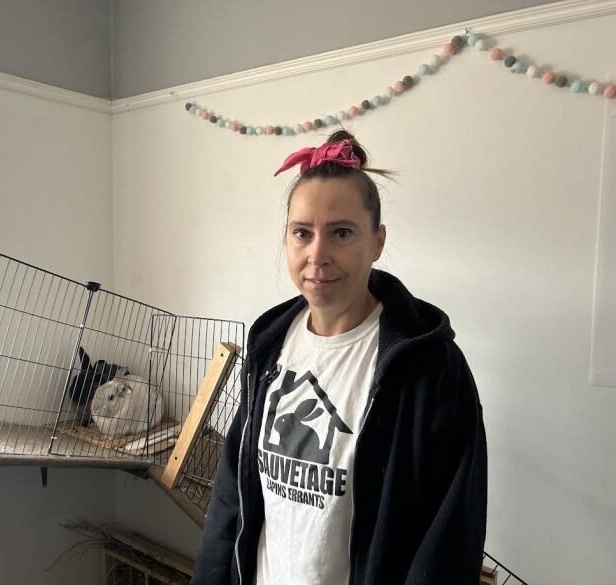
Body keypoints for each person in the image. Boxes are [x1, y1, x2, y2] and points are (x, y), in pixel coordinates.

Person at [191, 130, 487, 585]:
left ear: (377, 242)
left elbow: (449, 541)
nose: (317, 255)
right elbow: (232, 496)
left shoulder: (429, 367)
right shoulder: (269, 345)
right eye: (302, 233)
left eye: (342, 233)